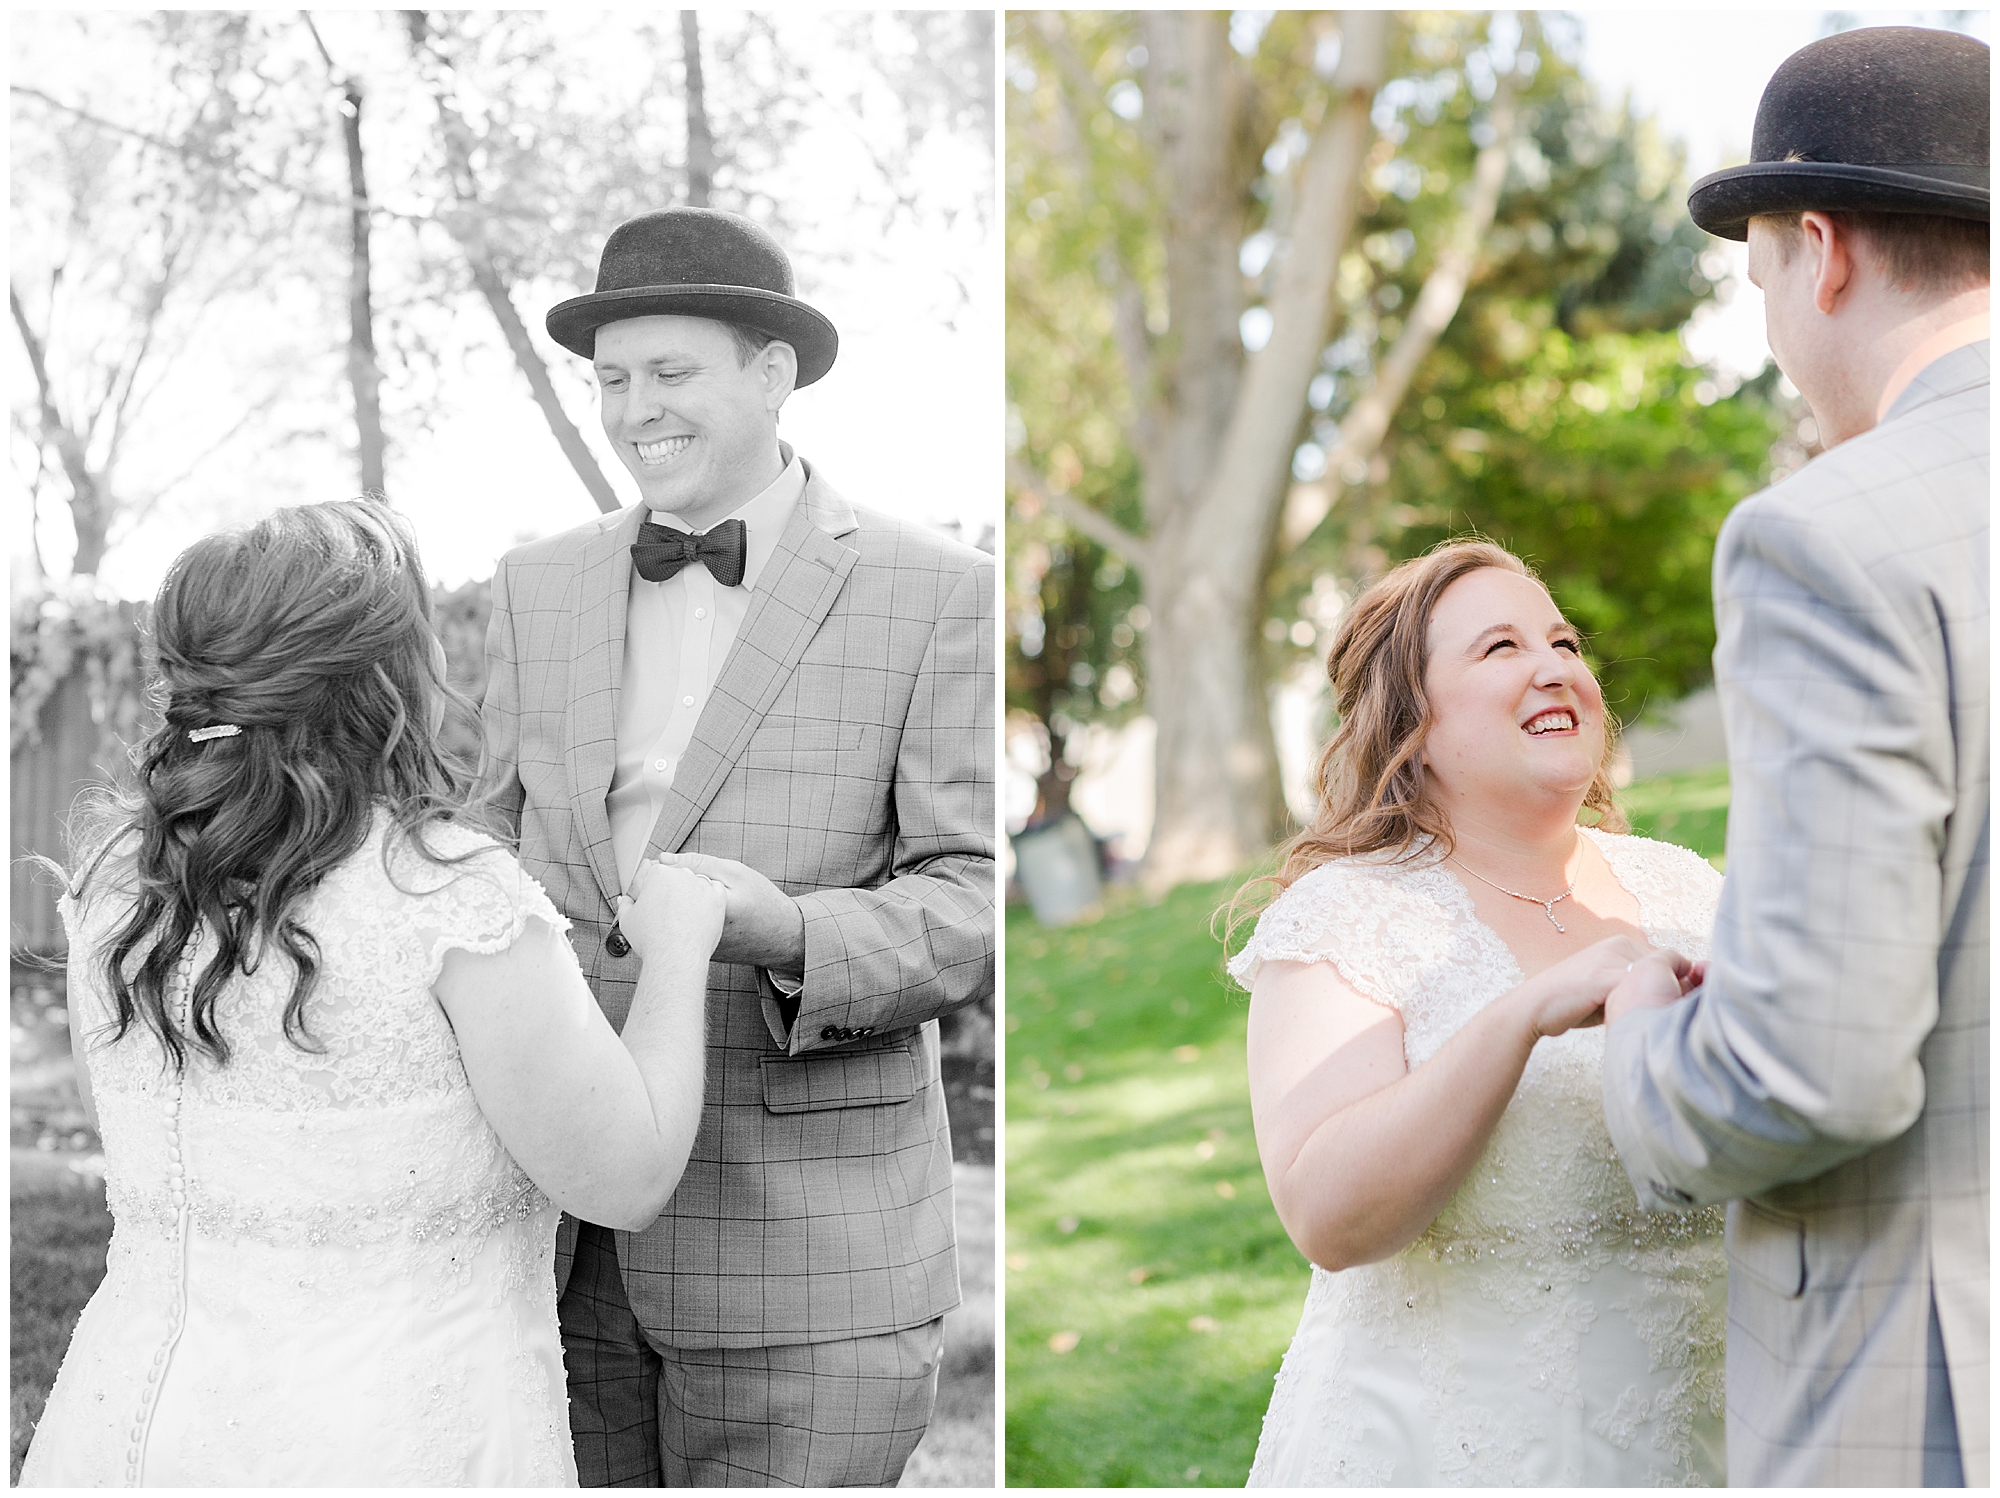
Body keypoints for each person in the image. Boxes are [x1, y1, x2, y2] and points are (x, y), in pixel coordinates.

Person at [18, 499, 724, 1486]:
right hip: (392, 1437)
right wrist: (682, 947)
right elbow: (627, 1174)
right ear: (387, 678)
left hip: (135, 1426)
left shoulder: (113, 891)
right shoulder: (448, 901)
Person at [480, 206, 995, 1487]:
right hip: (556, 1234)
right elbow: (477, 843)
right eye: (610, 379)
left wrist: (788, 931)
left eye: (670, 372)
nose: (633, 409)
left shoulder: (936, 591)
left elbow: (970, 897)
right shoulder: (528, 586)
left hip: (808, 1250)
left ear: (772, 373)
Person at [1600, 26, 1989, 1489]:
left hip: (1934, 1386)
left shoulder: (1829, 532)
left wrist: (1653, 1039)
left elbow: (1809, 1073)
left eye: (1755, 268)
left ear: (1818, 252)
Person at [1228, 540, 1727, 1486]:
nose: (1554, 667)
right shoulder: (1347, 917)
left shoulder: (1688, 888)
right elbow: (1330, 1220)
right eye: (1499, 649)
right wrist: (1518, 1017)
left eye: (1564, 642)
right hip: (1454, 1450)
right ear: (1409, 723)